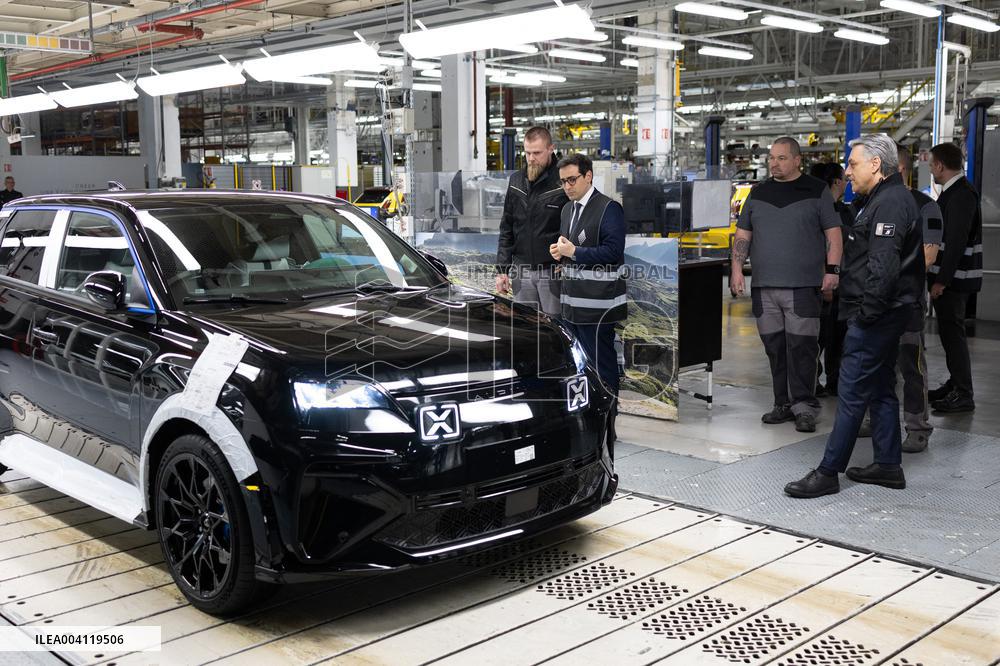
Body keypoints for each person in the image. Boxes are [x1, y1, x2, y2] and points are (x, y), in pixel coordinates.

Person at [785, 133, 924, 499]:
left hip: (878, 314)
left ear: (876, 165)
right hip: (883, 311)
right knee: (879, 388)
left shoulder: (891, 202)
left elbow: (883, 266)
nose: (848, 172)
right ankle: (889, 465)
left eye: (854, 164)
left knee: (850, 391)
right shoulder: (880, 198)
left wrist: (866, 315)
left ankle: (828, 471)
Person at [731, 137, 843, 434]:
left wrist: (832, 270)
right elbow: (743, 235)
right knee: (775, 348)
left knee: (803, 348)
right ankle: (782, 403)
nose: (774, 163)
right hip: (764, 287)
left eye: (781, 158)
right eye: (771, 158)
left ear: (797, 160)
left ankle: (804, 406)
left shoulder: (816, 191)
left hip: (803, 287)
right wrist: (736, 270)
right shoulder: (758, 193)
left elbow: (833, 233)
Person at [549, 152, 626, 459]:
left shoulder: (609, 209)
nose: (567, 186)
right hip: (572, 303)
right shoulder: (568, 210)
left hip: (599, 305)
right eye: (563, 181)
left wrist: (575, 252)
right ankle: (587, 421)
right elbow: (571, 248)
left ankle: (609, 422)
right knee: (580, 367)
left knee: (602, 366)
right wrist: (561, 254)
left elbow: (612, 251)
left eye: (572, 180)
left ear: (588, 176)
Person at [926, 142, 982, 414]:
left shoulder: (960, 195)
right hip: (951, 278)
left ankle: (963, 392)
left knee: (953, 334)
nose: (931, 170)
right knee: (949, 335)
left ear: (940, 165)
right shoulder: (956, 192)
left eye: (931, 165)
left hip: (954, 280)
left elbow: (957, 241)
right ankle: (956, 383)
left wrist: (942, 280)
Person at [496, 126, 569, 316]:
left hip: (552, 272)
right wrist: (502, 270)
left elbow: (574, 226)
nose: (531, 158)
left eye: (536, 153)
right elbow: (507, 228)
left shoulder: (563, 183)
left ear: (550, 148)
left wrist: (567, 262)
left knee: (556, 326)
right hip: (522, 271)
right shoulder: (516, 181)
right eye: (527, 152)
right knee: (526, 327)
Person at [808, 162, 853, 397]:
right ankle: (812, 381)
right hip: (823, 284)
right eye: (844, 178)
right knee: (818, 337)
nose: (847, 182)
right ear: (836, 182)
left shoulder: (845, 211)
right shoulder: (822, 211)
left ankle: (835, 381)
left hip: (842, 286)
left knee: (836, 336)